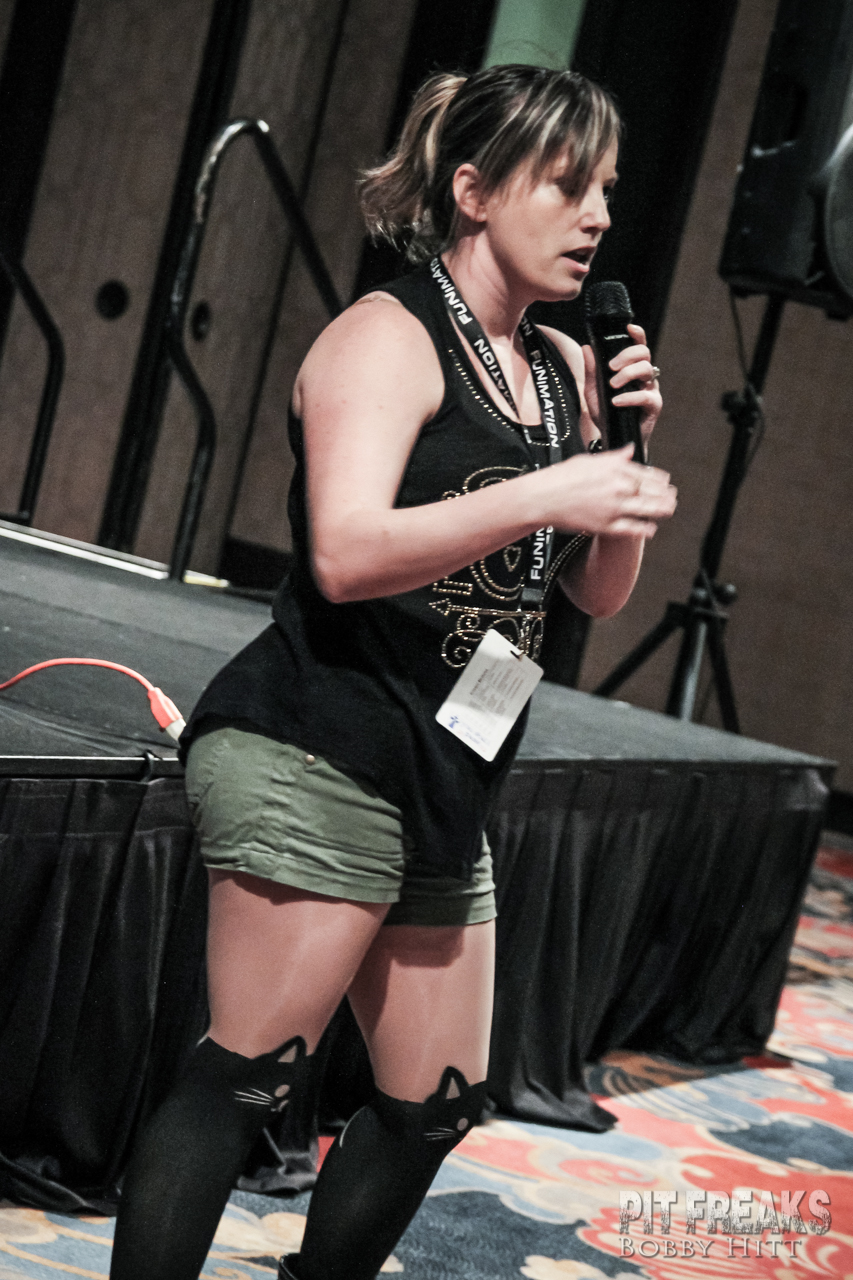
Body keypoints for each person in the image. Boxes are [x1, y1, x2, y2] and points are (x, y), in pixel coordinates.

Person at [108, 64, 675, 1280]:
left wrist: (623, 459)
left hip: (446, 764)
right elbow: (346, 550)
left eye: (606, 190)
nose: (596, 216)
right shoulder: (385, 336)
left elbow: (592, 592)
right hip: (316, 741)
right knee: (248, 1074)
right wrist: (551, 487)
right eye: (566, 185)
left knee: (435, 1100)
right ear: (472, 190)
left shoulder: (559, 367)